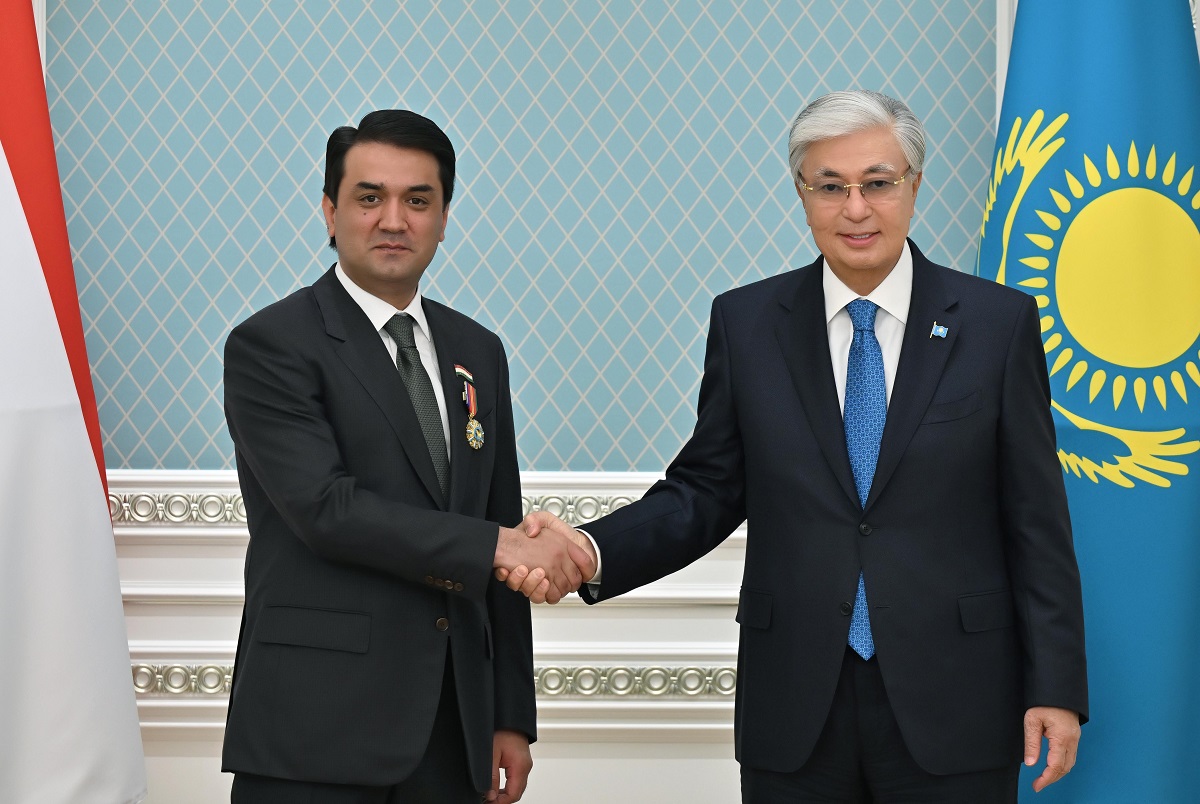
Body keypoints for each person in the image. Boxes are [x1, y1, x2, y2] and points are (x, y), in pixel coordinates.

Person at [504, 91, 1087, 802]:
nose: (856, 209)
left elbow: (1036, 520)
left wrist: (1055, 685)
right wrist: (589, 551)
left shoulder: (998, 323)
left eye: (878, 183)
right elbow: (705, 490)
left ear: (914, 186)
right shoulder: (748, 323)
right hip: (796, 703)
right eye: (830, 187)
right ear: (802, 195)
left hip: (956, 696)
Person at [221, 109, 593, 803]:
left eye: (418, 201)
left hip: (454, 728)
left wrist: (510, 714)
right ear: (330, 212)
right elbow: (327, 510)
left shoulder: (478, 350)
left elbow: (498, 513)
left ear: (444, 218)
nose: (393, 220)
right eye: (370, 197)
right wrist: (500, 546)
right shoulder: (271, 344)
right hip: (314, 729)